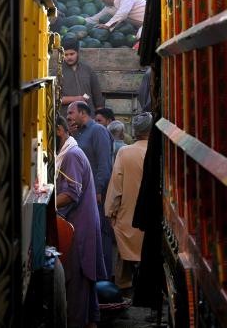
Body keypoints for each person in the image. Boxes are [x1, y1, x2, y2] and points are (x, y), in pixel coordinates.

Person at [55, 116, 107, 328]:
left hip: (78, 228)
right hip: (79, 224)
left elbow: (70, 194)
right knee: (83, 288)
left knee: (76, 285)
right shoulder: (71, 153)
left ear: (59, 131)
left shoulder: (72, 155)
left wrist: (47, 206)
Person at [104, 112, 152, 294]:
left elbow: (116, 186)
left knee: (124, 255)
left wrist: (111, 211)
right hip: (153, 217)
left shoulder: (125, 152)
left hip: (128, 216)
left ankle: (123, 286)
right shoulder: (160, 152)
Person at [67, 101, 114, 278]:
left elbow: (104, 164)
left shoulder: (98, 131)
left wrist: (98, 191)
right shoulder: (79, 133)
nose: (69, 117)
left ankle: (104, 277)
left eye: (71, 113)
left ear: (83, 113)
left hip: (96, 195)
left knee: (102, 234)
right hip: (85, 195)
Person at [59, 40, 104, 117]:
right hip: (67, 119)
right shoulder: (57, 73)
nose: (69, 57)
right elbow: (55, 99)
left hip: (88, 118)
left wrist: (100, 118)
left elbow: (97, 97)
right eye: (66, 55)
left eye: (72, 54)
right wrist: (76, 99)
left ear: (78, 53)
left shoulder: (87, 70)